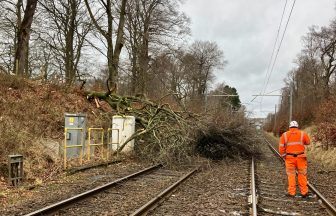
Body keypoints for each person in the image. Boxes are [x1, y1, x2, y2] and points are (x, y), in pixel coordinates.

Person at [279, 120, 311, 198]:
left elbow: (281, 147)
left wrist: (284, 156)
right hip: (301, 158)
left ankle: (292, 192)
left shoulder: (285, 135)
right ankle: (304, 192)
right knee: (302, 174)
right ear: (297, 126)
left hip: (289, 158)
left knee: (291, 175)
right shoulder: (303, 134)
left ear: (290, 127)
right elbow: (308, 142)